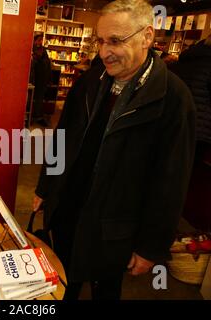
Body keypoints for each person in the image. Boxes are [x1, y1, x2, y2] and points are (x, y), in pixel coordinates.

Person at [32, 0, 195, 300]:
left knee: (104, 289)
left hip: (115, 226)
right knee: (60, 283)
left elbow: (171, 182)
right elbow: (61, 139)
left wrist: (149, 247)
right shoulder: (90, 81)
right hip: (69, 208)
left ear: (147, 36)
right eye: (101, 41)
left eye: (115, 41)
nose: (104, 51)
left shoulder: (173, 99)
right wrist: (45, 187)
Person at [170, 35, 211, 230]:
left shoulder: (184, 62)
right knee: (192, 180)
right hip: (201, 132)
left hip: (177, 125)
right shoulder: (209, 66)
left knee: (174, 172)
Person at [31, 33, 52, 127]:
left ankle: (38, 117)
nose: (40, 42)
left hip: (42, 78)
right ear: (34, 40)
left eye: (41, 40)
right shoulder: (31, 49)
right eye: (38, 40)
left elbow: (47, 63)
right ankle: (30, 116)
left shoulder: (43, 50)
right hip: (33, 78)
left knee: (39, 99)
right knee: (31, 98)